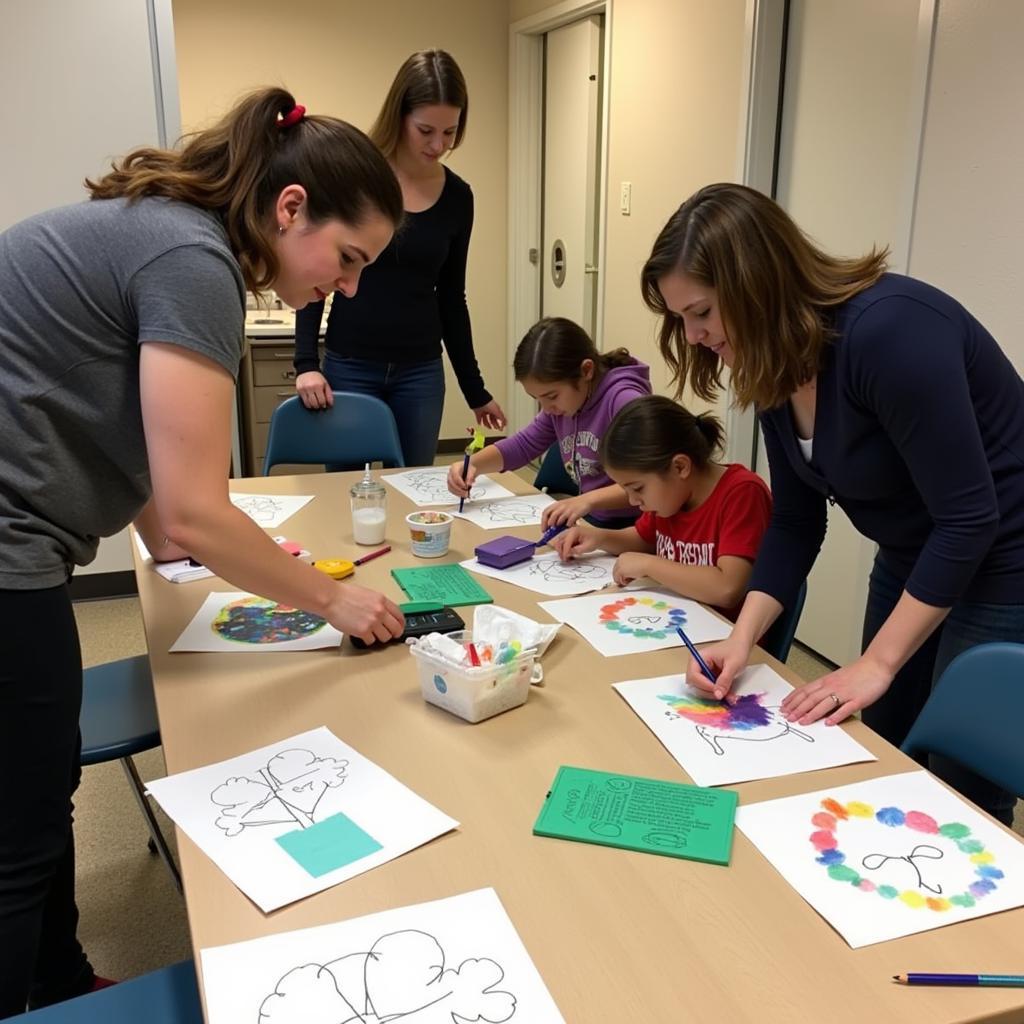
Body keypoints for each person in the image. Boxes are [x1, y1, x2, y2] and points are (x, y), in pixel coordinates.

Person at [0, 87, 408, 1016]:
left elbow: (125, 433)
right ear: (290, 207)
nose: (346, 289)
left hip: (22, 544)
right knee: (18, 830)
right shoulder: (194, 261)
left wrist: (163, 537)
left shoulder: (165, 230)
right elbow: (194, 510)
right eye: (346, 260)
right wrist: (331, 599)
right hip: (7, 552)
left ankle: (60, 986)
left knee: (36, 781)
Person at [642, 181, 1024, 823]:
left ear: (755, 285)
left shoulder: (891, 332)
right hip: (917, 550)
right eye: (681, 317)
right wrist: (741, 639)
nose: (695, 334)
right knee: (885, 737)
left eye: (703, 312)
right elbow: (795, 518)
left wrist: (876, 661)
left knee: (961, 781)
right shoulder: (770, 361)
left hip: (1007, 557)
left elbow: (970, 516)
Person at [293, 49, 504, 467]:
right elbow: (320, 269)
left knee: (415, 490)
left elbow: (451, 298)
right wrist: (305, 364)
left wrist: (475, 390)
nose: (439, 144)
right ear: (400, 116)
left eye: (450, 131)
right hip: (351, 363)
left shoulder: (459, 197)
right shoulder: (356, 177)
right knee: (349, 489)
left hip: (420, 372)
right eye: (426, 130)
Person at [551, 396, 771, 615]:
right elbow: (643, 539)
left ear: (680, 467)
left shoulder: (742, 493)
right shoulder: (672, 497)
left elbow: (727, 588)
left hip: (724, 636)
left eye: (637, 488)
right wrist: (599, 537)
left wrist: (649, 565)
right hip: (673, 617)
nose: (632, 501)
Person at [447, 317, 651, 527]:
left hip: (634, 526)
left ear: (586, 370)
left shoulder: (624, 401)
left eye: (551, 396)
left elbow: (650, 479)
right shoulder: (565, 405)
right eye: (537, 399)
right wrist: (473, 465)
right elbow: (524, 444)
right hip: (592, 518)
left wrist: (585, 501)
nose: (546, 408)